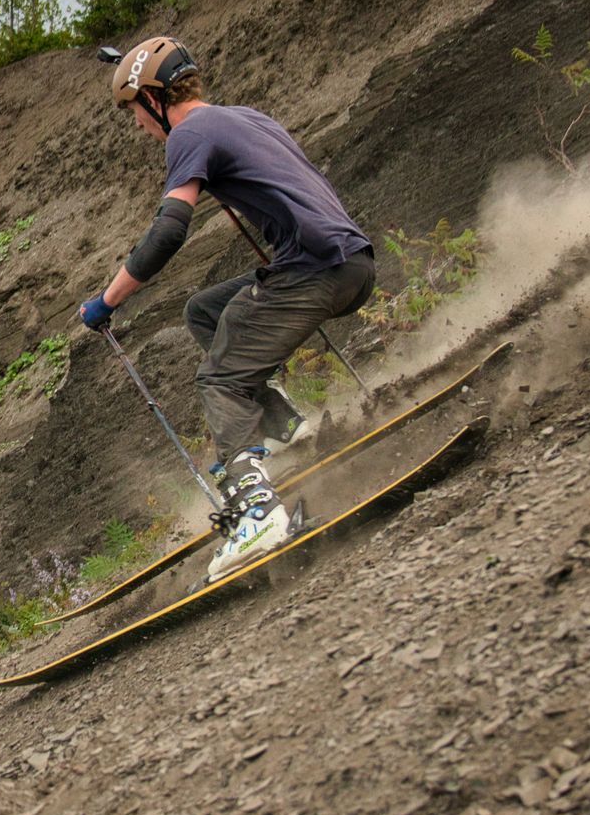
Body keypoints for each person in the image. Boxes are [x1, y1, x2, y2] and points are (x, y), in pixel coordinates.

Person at [78, 36, 375, 582]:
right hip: (352, 260)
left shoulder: (188, 133)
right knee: (206, 312)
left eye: (134, 114)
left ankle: (258, 514)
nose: (138, 127)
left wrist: (106, 300)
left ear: (154, 98)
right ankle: (286, 427)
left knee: (220, 379)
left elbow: (168, 231)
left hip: (314, 269)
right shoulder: (244, 118)